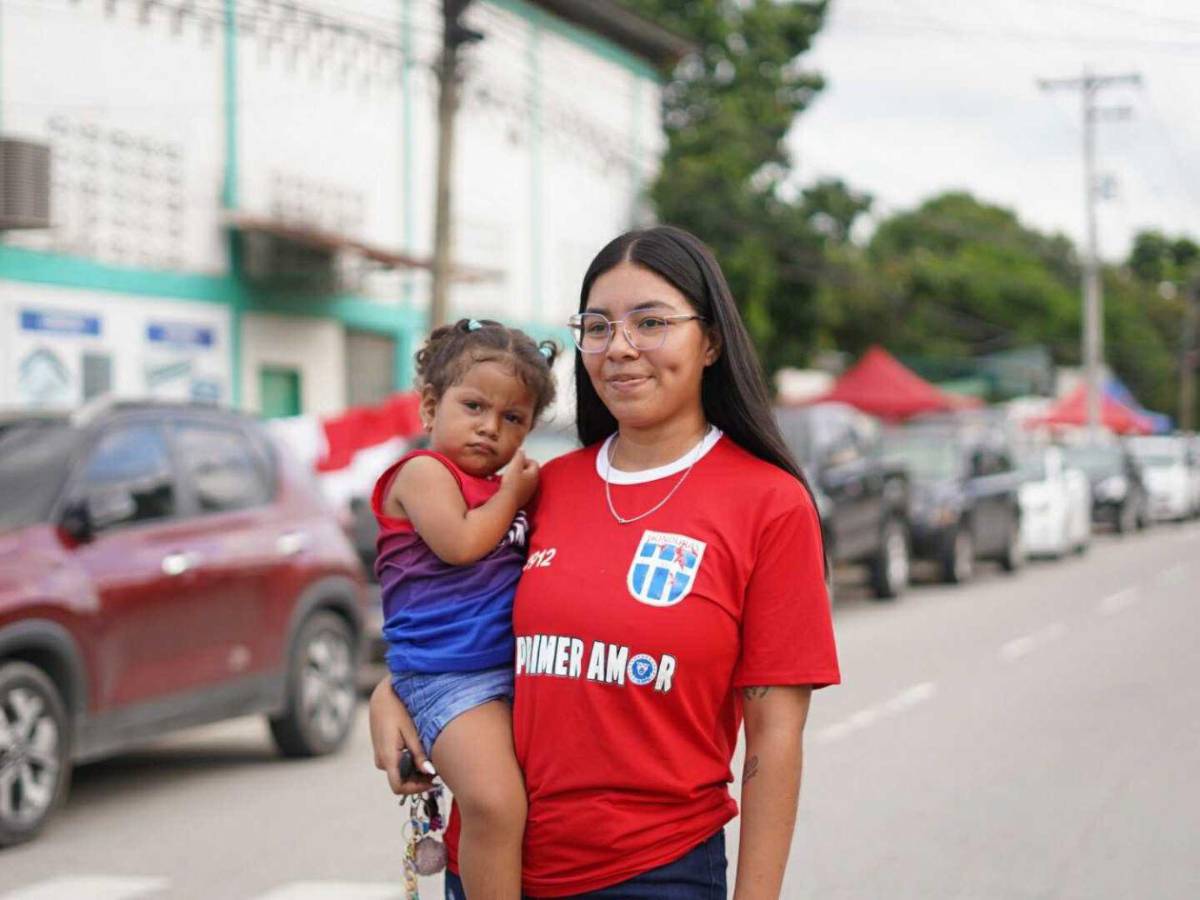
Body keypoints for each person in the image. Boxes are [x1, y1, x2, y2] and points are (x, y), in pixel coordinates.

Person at [371, 226, 840, 899]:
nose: (619, 347)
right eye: (598, 326)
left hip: (653, 874)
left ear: (709, 341)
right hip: (493, 871)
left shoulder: (769, 504)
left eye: (650, 322)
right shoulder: (539, 488)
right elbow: (464, 613)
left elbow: (775, 737)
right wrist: (393, 691)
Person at [372, 318, 558, 899]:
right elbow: (459, 544)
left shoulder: (501, 492)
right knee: (496, 804)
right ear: (430, 406)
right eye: (474, 405)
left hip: (508, 674)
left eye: (512, 419)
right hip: (448, 678)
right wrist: (512, 496)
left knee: (517, 806)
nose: (489, 429)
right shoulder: (424, 474)